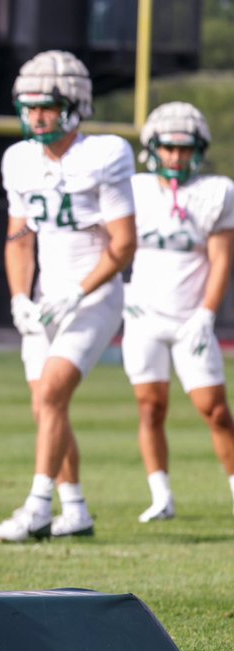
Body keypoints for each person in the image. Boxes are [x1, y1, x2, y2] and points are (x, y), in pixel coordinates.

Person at [0, 50, 137, 543]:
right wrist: (18, 297)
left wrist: (78, 289)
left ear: (74, 104)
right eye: (28, 107)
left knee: (51, 393)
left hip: (94, 296)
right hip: (46, 298)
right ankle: (76, 509)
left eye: (46, 106)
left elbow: (123, 244)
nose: (35, 116)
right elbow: (19, 238)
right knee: (46, 405)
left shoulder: (104, 154)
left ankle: (37, 508)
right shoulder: (19, 159)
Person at [121, 101, 234, 521]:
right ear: (154, 148)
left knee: (216, 410)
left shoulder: (215, 191)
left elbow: (222, 258)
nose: (176, 157)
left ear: (198, 150)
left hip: (191, 319)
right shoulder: (134, 188)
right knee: (150, 407)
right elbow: (112, 243)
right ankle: (161, 495)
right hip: (143, 315)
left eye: (185, 150)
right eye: (169, 148)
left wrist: (207, 313)